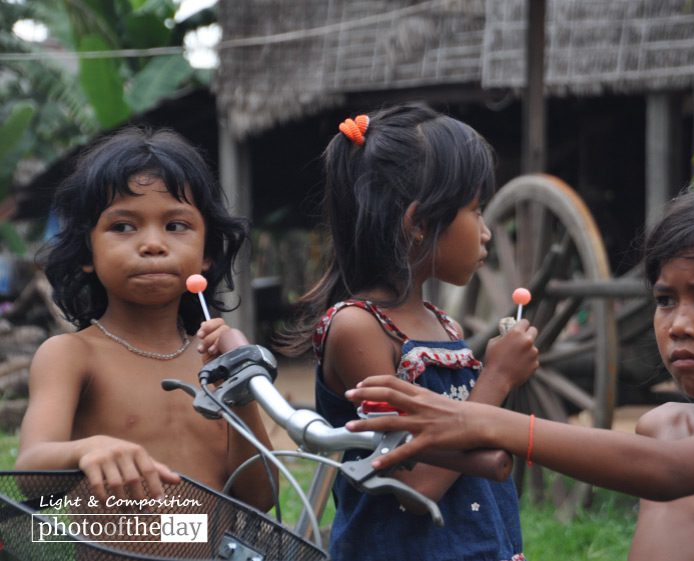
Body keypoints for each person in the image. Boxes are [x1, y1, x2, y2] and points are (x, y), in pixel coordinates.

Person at [344, 178, 694, 561]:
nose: (680, 325)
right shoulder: (661, 425)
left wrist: (479, 419)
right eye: (666, 300)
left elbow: (673, 472)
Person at [279, 104, 539, 561]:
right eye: (475, 212)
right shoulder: (359, 328)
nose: (486, 234)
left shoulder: (445, 325)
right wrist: (497, 378)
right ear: (418, 223)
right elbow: (414, 485)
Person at [15, 127, 275, 511]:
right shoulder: (72, 355)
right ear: (87, 251)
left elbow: (262, 497)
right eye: (123, 226)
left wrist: (237, 389)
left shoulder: (212, 358)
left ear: (206, 253)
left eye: (176, 226)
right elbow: (29, 478)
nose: (153, 244)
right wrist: (87, 450)